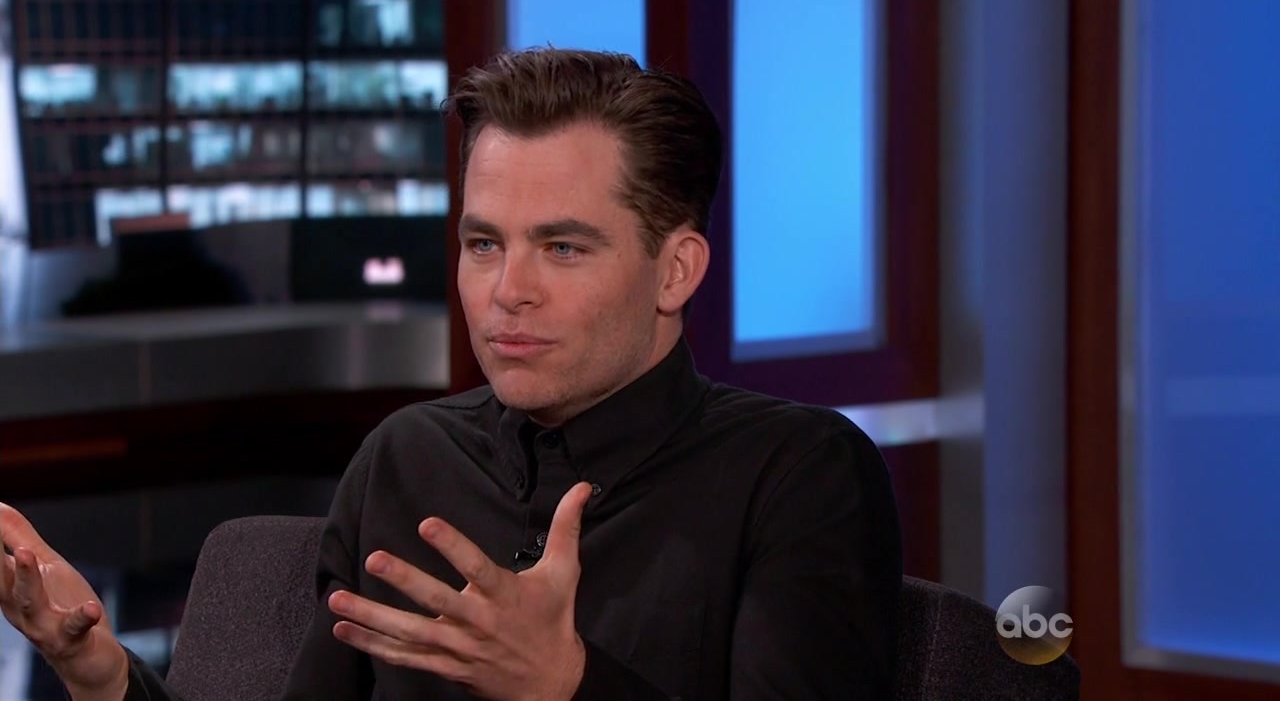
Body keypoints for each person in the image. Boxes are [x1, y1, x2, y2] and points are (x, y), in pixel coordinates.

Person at [0, 48, 903, 700]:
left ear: (675, 272)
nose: (508, 291)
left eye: (562, 247)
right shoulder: (408, 456)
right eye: (483, 244)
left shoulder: (798, 475)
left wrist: (565, 685)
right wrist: (104, 678)